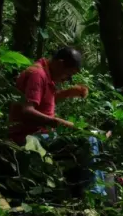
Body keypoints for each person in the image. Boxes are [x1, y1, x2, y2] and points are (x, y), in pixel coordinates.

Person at [8, 47, 106, 197]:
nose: (67, 79)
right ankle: (95, 194)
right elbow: (27, 110)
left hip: (42, 134)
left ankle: (88, 191)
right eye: (68, 74)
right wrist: (57, 122)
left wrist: (67, 93)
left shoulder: (45, 74)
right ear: (60, 64)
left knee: (95, 136)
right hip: (28, 137)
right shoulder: (37, 74)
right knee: (89, 139)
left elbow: (43, 102)